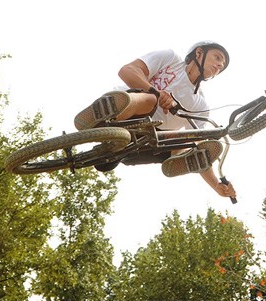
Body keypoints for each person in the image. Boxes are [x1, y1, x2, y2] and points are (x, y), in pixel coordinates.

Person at [74, 41, 236, 199]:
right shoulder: (170, 59)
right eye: (217, 57)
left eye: (222, 66)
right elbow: (127, 70)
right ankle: (102, 115)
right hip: (125, 114)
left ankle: (180, 159)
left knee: (189, 141)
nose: (219, 65)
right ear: (199, 52)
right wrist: (157, 93)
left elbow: (202, 150)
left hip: (145, 142)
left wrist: (216, 186)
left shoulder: (200, 105)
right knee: (151, 99)